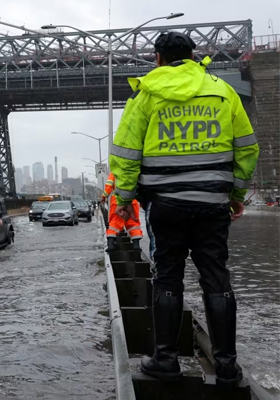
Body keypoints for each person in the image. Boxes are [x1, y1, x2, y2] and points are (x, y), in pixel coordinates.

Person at [109, 31, 259, 386]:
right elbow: (247, 149)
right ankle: (226, 367)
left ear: (157, 57)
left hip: (165, 206)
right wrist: (236, 194)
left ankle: (165, 361)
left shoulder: (146, 94)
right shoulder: (223, 92)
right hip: (212, 205)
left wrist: (126, 200)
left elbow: (126, 155)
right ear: (194, 57)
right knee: (216, 278)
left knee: (167, 277)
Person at [100, 172, 143, 252]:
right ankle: (136, 246)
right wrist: (142, 200)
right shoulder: (134, 171)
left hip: (117, 202)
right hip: (132, 201)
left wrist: (104, 196)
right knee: (133, 224)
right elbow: (141, 186)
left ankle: (111, 244)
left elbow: (108, 187)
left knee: (114, 223)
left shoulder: (114, 173)